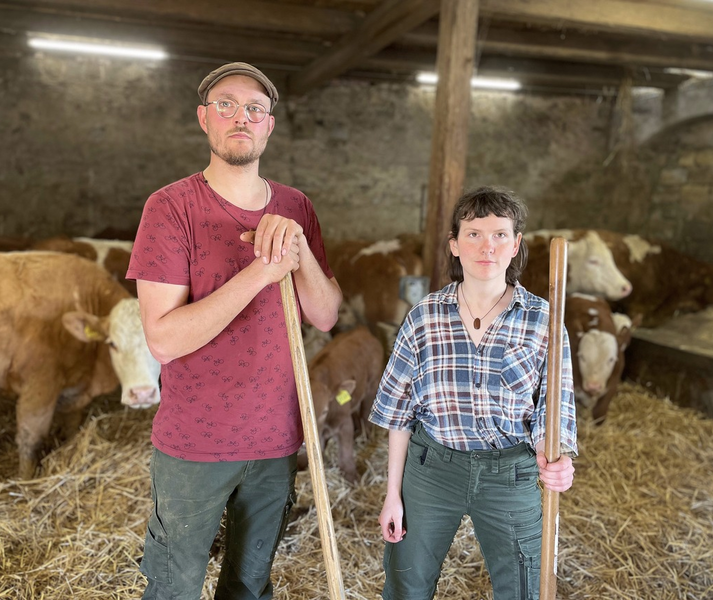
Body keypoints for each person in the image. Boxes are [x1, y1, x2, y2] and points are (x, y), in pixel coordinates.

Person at [126, 62, 342, 600]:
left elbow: (327, 314)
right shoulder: (170, 207)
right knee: (173, 585)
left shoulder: (296, 207)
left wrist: (298, 256)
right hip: (194, 442)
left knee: (249, 585)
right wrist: (262, 272)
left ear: (269, 125)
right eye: (225, 105)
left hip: (276, 439)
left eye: (254, 109)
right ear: (204, 119)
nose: (240, 117)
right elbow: (164, 340)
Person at [369, 186, 577, 600]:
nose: (488, 246)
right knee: (406, 584)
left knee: (524, 587)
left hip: (510, 474)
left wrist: (559, 459)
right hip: (432, 471)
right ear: (454, 245)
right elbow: (399, 414)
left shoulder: (543, 321)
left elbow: (556, 408)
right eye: (474, 234)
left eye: (500, 234)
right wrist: (392, 494)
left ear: (516, 245)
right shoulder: (424, 317)